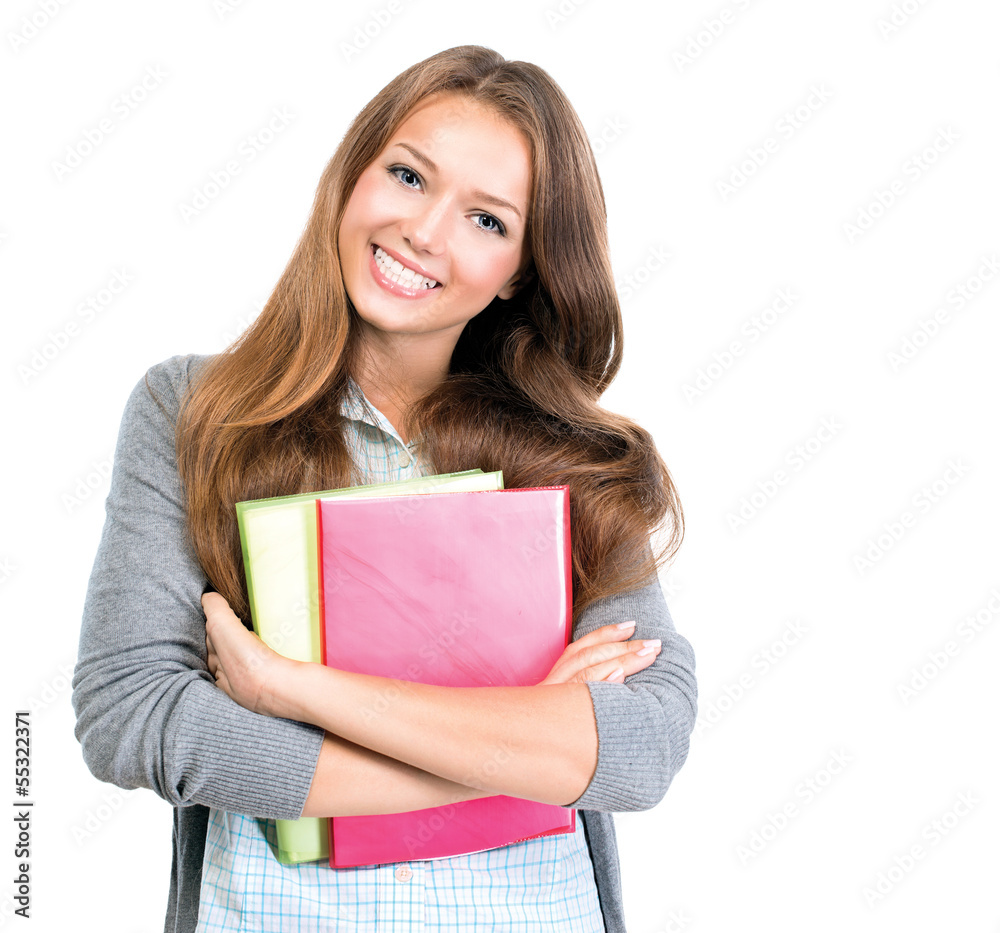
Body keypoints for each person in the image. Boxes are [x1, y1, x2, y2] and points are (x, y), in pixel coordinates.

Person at [72, 44, 697, 933]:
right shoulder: (192, 410)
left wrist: (290, 688)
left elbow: (640, 748)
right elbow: (133, 716)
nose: (427, 232)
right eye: (409, 176)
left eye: (488, 221)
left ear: (521, 268)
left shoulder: (574, 456)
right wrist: (521, 750)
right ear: (352, 177)